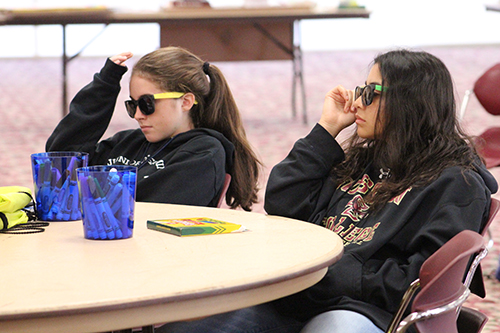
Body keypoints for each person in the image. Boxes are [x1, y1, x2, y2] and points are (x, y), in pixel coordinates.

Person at [155, 49, 498, 333]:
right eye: (361, 89)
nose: (357, 103)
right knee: (183, 327)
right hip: (304, 292)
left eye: (370, 93)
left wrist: (328, 272)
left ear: (409, 103)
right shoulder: (367, 158)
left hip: (367, 309)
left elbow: (420, 282)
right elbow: (283, 202)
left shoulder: (455, 184)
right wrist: (326, 130)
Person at [46, 46, 261, 211]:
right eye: (132, 105)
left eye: (147, 104)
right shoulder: (128, 143)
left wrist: (84, 192)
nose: (138, 115)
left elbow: (143, 210)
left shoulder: (204, 154)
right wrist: (105, 86)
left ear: (185, 102)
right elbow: (59, 163)